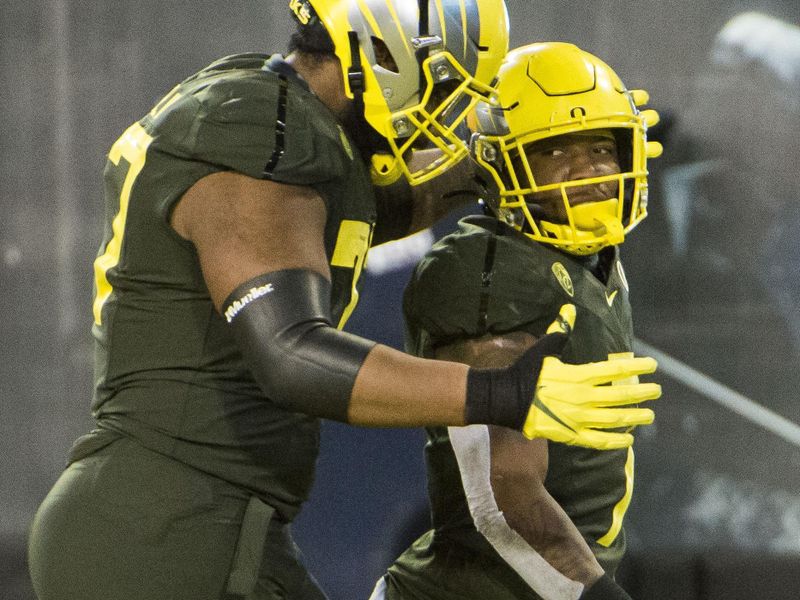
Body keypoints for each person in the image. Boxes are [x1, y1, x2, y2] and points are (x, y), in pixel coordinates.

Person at [27, 1, 660, 597]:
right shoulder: (255, 124)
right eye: (446, 84)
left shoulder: (278, 119)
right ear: (383, 54)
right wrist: (507, 394)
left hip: (204, 523)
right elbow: (289, 352)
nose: (448, 112)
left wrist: (519, 157)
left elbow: (363, 215)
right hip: (160, 528)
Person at [372, 42, 664, 600]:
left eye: (603, 147)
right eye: (556, 152)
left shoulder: (593, 260)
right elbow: (500, 493)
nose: (590, 172)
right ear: (502, 164)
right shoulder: (488, 269)